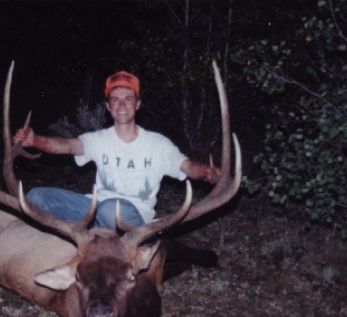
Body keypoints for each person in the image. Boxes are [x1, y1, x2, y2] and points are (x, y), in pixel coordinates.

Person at [13, 70, 220, 228]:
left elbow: (188, 166)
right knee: (36, 197)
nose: (122, 105)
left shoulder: (157, 144)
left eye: (128, 99)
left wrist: (206, 172)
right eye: (115, 99)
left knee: (111, 210)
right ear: (108, 106)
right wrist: (36, 140)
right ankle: (88, 238)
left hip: (133, 218)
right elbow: (67, 146)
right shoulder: (100, 140)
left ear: (137, 104)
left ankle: (106, 240)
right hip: (95, 209)